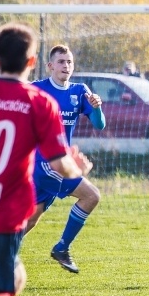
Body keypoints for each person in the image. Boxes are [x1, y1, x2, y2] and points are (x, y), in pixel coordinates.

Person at [0, 24, 86, 296]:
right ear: (32, 62)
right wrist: (78, 169)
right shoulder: (39, 101)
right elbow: (61, 162)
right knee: (14, 278)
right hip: (4, 214)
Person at [25, 45, 106, 274]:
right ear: (50, 66)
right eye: (61, 62)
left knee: (30, 220)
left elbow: (100, 125)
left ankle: (3, 252)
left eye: (69, 62)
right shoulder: (36, 89)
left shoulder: (80, 91)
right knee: (91, 195)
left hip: (58, 163)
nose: (66, 66)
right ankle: (61, 248)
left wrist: (96, 109)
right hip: (44, 165)